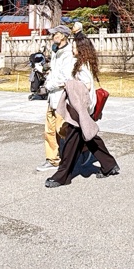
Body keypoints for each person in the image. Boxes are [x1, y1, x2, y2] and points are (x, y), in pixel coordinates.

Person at [46, 35, 118, 187]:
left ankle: (62, 176)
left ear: (81, 49)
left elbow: (86, 86)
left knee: (71, 143)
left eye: (74, 47)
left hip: (81, 110)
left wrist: (68, 85)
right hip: (84, 108)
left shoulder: (82, 66)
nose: (72, 49)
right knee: (90, 138)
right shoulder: (85, 63)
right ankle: (109, 165)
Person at [38, 26, 76, 172]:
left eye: (57, 34)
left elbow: (65, 77)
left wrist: (49, 85)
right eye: (53, 34)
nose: (54, 36)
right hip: (51, 97)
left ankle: (82, 149)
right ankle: (52, 159)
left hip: (61, 96)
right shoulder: (55, 51)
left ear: (64, 36)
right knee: (49, 130)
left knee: (62, 129)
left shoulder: (67, 54)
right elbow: (54, 72)